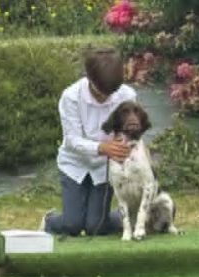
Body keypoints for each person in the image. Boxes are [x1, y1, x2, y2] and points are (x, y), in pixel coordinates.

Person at [42, 48, 135, 237]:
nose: (107, 98)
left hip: (105, 168)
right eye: (101, 93)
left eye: (111, 93)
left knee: (96, 227)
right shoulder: (71, 97)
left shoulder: (128, 96)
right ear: (89, 79)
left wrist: (124, 140)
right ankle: (49, 220)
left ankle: (129, 217)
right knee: (72, 225)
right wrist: (102, 147)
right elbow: (71, 141)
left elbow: (131, 131)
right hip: (74, 165)